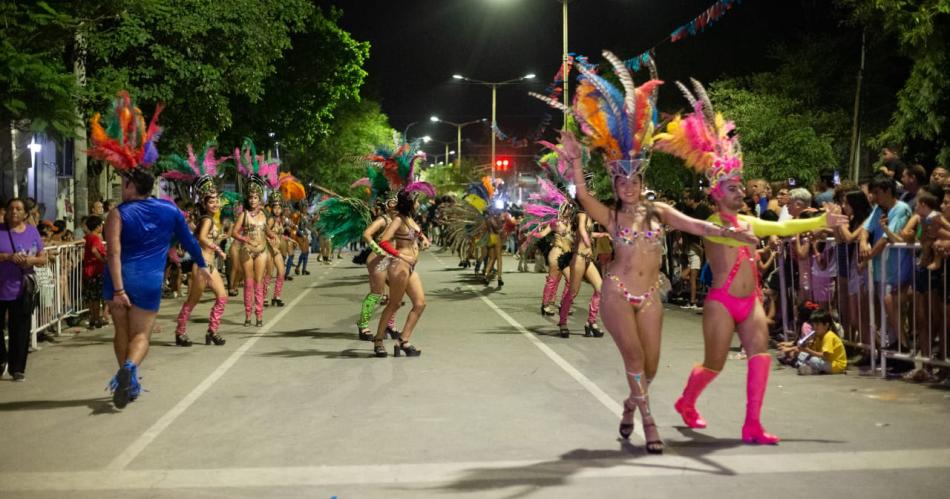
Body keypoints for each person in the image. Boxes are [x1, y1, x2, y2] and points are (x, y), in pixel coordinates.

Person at [540, 54, 758, 453]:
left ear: (641, 179)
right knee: (636, 359)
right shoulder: (608, 216)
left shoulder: (660, 212)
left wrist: (738, 235)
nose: (627, 185)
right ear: (616, 183)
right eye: (620, 179)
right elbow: (584, 195)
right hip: (618, 292)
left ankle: (630, 405)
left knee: (651, 367)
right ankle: (648, 421)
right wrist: (572, 164)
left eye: (632, 179)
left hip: (651, 296)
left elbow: (699, 226)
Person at [652, 79, 846, 445]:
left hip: (750, 300)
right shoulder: (711, 223)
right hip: (721, 302)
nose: (740, 192)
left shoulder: (747, 221)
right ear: (715, 192)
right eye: (733, 187)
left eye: (741, 187)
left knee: (759, 356)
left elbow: (786, 225)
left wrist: (822, 221)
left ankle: (752, 424)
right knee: (715, 364)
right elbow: (720, 235)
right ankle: (686, 400)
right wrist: (738, 235)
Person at [87, 91, 210, 407]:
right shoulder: (170, 211)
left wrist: (117, 290)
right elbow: (190, 242)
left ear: (131, 186)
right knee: (142, 335)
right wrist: (203, 265)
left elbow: (112, 252)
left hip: (119, 280)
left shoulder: (118, 213)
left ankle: (126, 378)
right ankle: (130, 371)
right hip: (149, 282)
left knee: (121, 332)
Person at [365, 140, 436, 358]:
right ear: (409, 203)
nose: (418, 202)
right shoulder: (398, 220)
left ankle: (403, 341)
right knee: (394, 304)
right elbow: (385, 241)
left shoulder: (412, 221)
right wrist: (398, 256)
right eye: (415, 199)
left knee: (420, 304)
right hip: (400, 267)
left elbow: (418, 237)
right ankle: (378, 341)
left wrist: (424, 240)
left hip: (411, 267)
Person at [163, 143, 230, 346]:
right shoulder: (207, 219)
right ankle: (180, 332)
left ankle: (212, 331)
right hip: (201, 266)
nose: (216, 204)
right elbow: (201, 238)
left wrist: (220, 239)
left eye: (217, 200)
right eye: (212, 202)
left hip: (211, 266)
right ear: (204, 202)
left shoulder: (210, 218)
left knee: (222, 298)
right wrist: (219, 248)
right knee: (192, 301)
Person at [231, 138, 278, 327]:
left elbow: (267, 231)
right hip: (247, 251)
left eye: (256, 197)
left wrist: (273, 237)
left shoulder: (264, 216)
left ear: (260, 199)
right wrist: (245, 240)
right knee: (249, 283)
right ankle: (248, 315)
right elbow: (234, 233)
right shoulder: (244, 215)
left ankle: (259, 316)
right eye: (250, 197)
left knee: (260, 283)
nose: (252, 200)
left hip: (262, 251)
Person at [0, 198, 48, 381]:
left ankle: (17, 368)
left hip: (22, 287)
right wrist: (7, 257)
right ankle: (1, 359)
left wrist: (31, 261)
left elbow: (43, 258)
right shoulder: (1, 230)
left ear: (25, 214)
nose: (14, 212)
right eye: (11, 208)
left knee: (19, 329)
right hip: (1, 286)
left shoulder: (32, 231)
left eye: (18, 209)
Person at [780, 310, 847, 375]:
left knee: (813, 360)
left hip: (836, 365)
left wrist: (808, 350)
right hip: (826, 362)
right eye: (813, 325)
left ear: (826, 325)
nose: (814, 328)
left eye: (817, 325)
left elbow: (825, 356)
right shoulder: (818, 336)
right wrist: (805, 347)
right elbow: (814, 351)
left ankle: (812, 369)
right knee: (802, 355)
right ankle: (812, 369)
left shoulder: (829, 336)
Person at [82, 215, 108, 329]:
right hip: (95, 271)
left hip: (87, 270)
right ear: (98, 226)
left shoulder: (88, 236)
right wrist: (102, 259)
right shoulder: (96, 238)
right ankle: (97, 318)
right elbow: (94, 250)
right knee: (96, 297)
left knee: (91, 297)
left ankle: (92, 318)